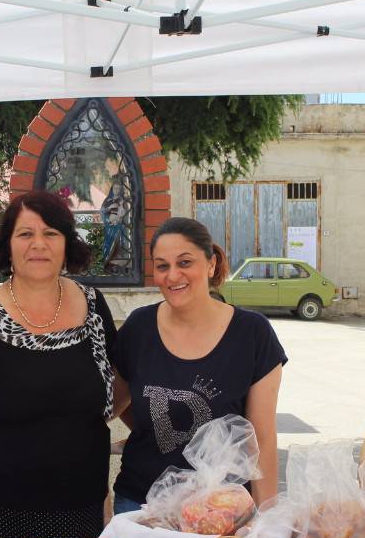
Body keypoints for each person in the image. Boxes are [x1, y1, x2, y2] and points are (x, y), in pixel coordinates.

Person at [0, 190, 121, 538]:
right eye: (25, 234)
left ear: (67, 244)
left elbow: (114, 389)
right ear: (7, 246)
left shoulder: (94, 308)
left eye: (51, 233)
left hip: (81, 514)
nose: (39, 244)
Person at [112, 217, 287, 515]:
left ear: (211, 264)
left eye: (185, 262)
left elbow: (262, 438)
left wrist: (267, 523)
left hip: (222, 511)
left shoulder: (252, 333)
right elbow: (114, 403)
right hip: (141, 505)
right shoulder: (139, 327)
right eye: (162, 266)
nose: (172, 275)